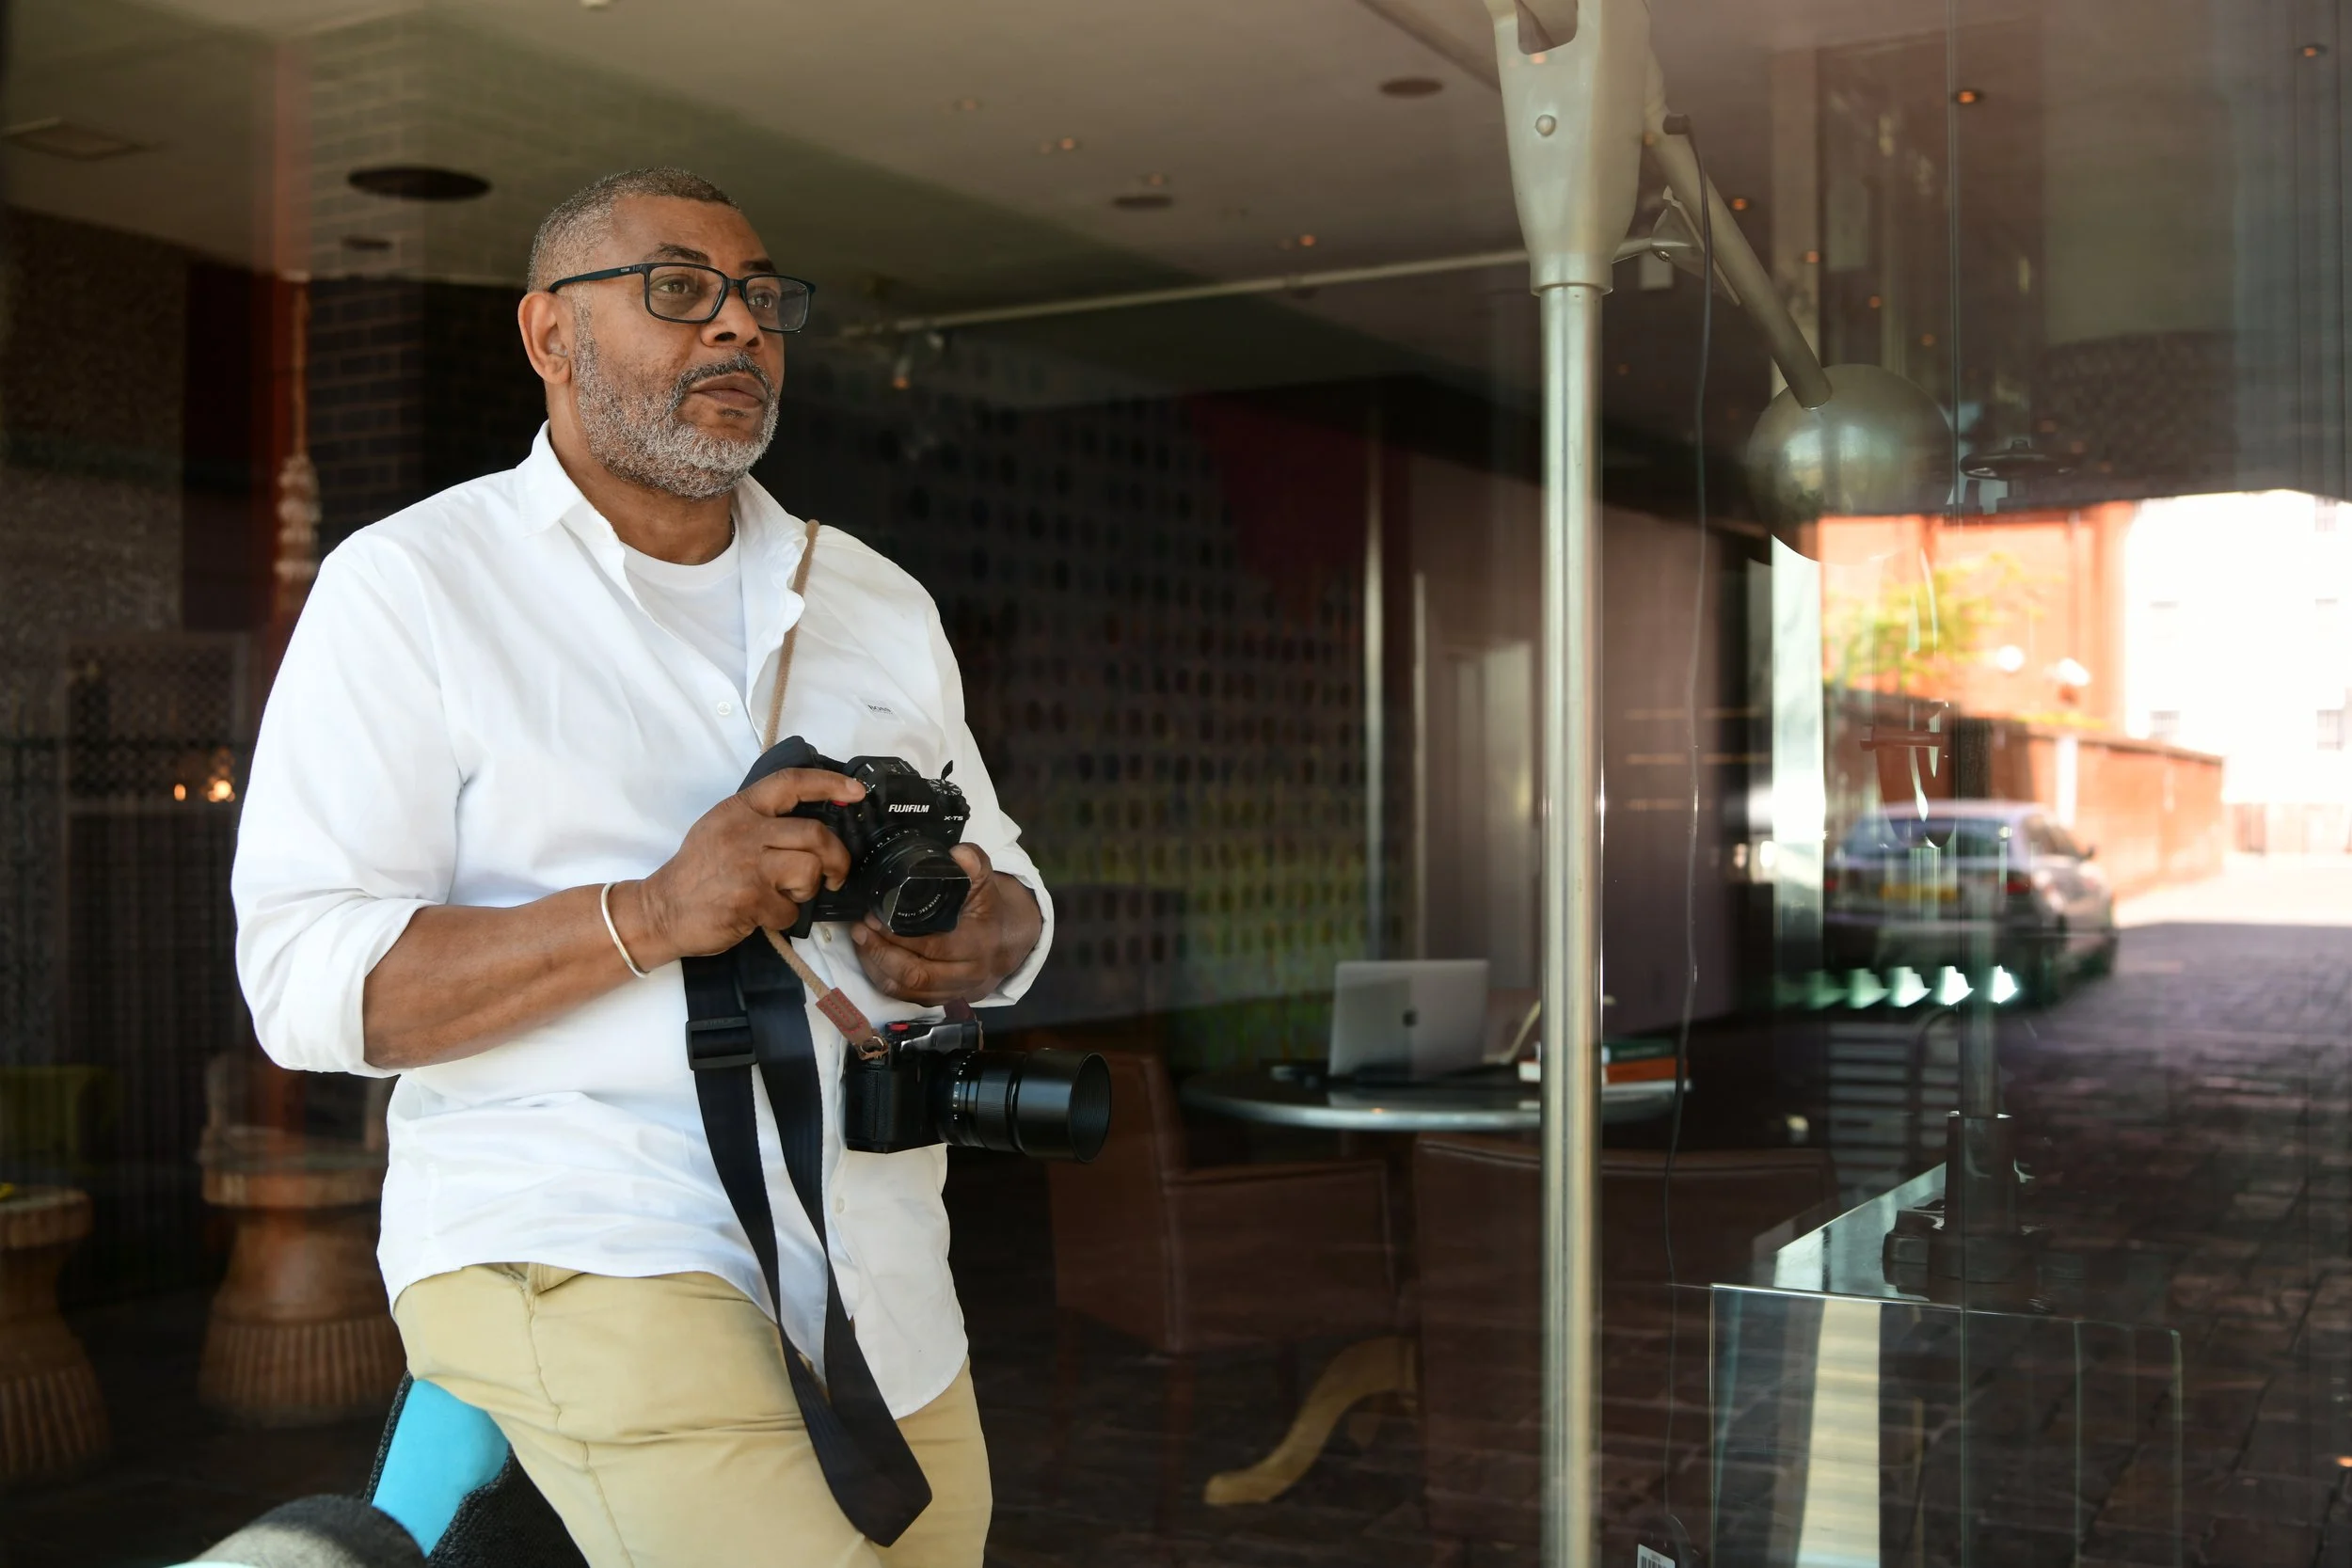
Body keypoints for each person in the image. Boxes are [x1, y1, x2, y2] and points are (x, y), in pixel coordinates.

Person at [232, 166, 1051, 1568]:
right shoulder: (414, 586)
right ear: (551, 337)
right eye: (679, 290)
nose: (737, 329)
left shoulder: (872, 596)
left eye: (761, 299)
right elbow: (308, 983)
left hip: (884, 1275)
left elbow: (1017, 907)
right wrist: (653, 913)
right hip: (597, 1242)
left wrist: (962, 932)